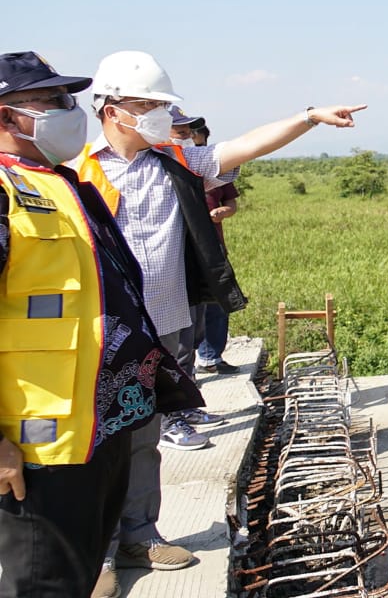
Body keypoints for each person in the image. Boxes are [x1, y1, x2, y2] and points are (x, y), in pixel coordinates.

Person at [71, 50, 364, 595]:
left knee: (143, 438)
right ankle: (100, 553)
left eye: (162, 105)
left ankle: (139, 534)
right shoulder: (77, 170)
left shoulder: (177, 157)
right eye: (147, 105)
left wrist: (307, 116)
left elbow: (243, 147)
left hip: (163, 323)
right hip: (102, 329)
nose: (160, 114)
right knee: (100, 442)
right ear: (111, 110)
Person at [0, 51, 203, 598]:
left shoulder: (59, 183)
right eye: (49, 102)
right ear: (5, 117)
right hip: (41, 446)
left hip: (99, 428)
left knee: (82, 573)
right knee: (48, 582)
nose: (69, 111)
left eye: (68, 99)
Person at [170, 109, 239, 375]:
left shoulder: (207, 168)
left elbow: (230, 200)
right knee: (183, 323)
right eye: (183, 133)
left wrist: (224, 211)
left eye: (193, 134)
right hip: (179, 256)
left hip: (210, 248)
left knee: (211, 307)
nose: (190, 139)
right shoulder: (157, 168)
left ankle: (209, 356)